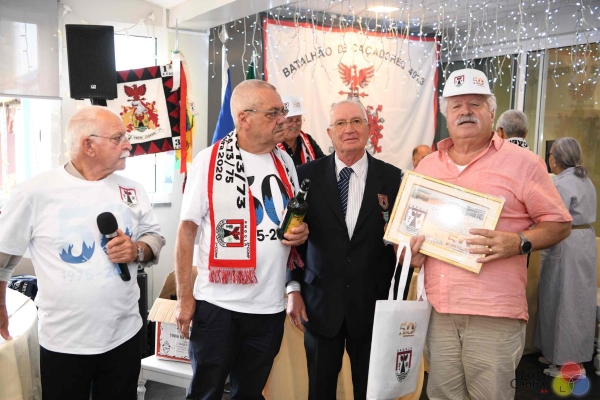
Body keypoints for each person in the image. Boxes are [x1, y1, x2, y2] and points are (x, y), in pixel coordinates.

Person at [410, 68, 572, 400]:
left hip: (494, 313)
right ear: (446, 116)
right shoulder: (427, 166)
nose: (465, 111)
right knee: (442, 395)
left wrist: (518, 242)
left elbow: (559, 223)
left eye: (475, 103)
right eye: (456, 106)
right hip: (438, 310)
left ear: (492, 112)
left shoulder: (524, 163)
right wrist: (411, 252)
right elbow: (413, 229)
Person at [0, 106, 165, 400]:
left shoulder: (133, 190)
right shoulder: (33, 193)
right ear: (88, 145)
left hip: (124, 335)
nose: (128, 145)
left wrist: (137, 249)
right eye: (118, 138)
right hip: (64, 342)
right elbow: (4, 258)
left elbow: (155, 237)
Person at [175, 80, 309, 400]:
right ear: (244, 118)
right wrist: (184, 298)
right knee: (205, 393)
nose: (282, 119)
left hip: (269, 306)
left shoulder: (285, 162)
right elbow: (186, 232)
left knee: (250, 393)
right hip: (218, 306)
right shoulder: (209, 161)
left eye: (282, 111)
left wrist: (301, 233)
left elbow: (288, 222)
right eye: (273, 113)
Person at [286, 100, 405, 399]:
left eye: (356, 121)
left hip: (373, 308)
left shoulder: (393, 179)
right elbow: (291, 239)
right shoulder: (304, 176)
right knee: (320, 392)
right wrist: (293, 289)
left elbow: (402, 244)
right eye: (340, 123)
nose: (349, 129)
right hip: (319, 307)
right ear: (330, 132)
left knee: (371, 392)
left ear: (369, 128)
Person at [535, 137, 597, 377]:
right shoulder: (585, 179)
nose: (549, 158)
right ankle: (557, 354)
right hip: (583, 241)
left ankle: (570, 364)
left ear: (556, 159)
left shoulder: (560, 183)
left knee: (564, 300)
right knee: (573, 299)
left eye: (550, 154)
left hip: (566, 243)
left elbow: (551, 218)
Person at [277, 95, 325, 166]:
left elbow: (323, 164)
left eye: (298, 120)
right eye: (290, 120)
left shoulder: (308, 140)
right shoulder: (272, 145)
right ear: (280, 122)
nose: (294, 125)